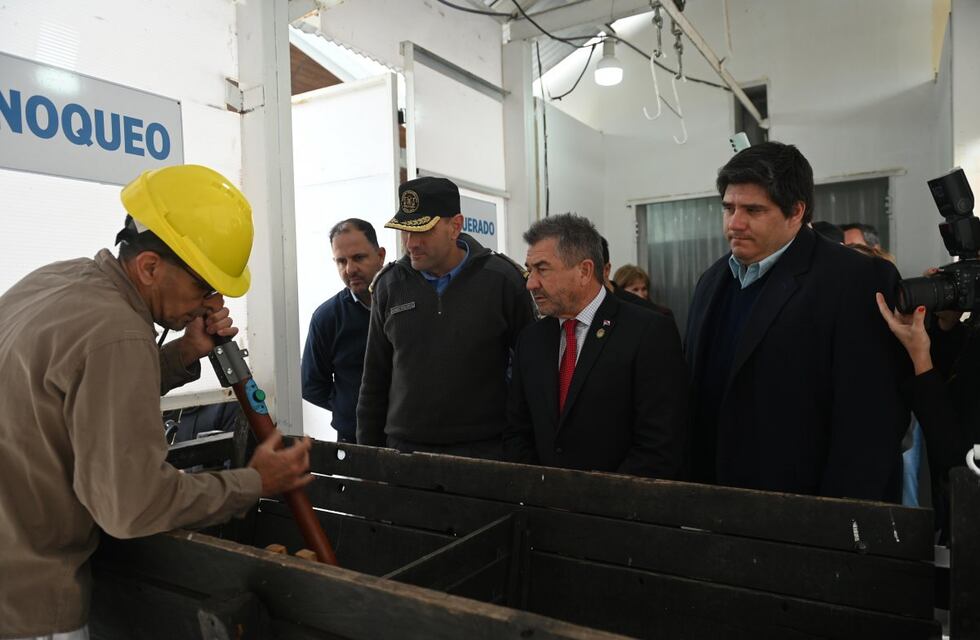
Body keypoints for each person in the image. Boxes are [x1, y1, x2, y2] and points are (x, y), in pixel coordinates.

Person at [0, 165, 313, 640]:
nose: (210, 303)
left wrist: (185, 351)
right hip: (31, 602)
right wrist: (254, 481)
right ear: (149, 266)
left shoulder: (55, 281)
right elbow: (133, 507)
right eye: (202, 286)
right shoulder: (117, 333)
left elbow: (82, 391)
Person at [685, 141, 907, 501]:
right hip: (719, 505)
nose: (734, 223)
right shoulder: (712, 281)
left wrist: (833, 525)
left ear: (796, 212)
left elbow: (870, 423)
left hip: (806, 510)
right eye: (729, 208)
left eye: (753, 210)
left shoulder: (856, 279)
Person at [356, 177, 535, 459]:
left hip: (484, 452)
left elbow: (532, 376)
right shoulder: (389, 286)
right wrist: (367, 458)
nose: (410, 243)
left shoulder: (503, 281)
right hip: (405, 454)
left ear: (456, 226)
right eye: (405, 231)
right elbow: (374, 380)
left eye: (422, 231)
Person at [505, 214, 689, 478]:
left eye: (542, 269)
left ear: (584, 271)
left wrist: (597, 501)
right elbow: (518, 430)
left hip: (619, 510)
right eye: (529, 269)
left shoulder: (648, 331)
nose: (530, 283)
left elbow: (660, 442)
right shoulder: (531, 340)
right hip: (546, 509)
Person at [301, 219, 386, 443]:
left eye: (359, 258)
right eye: (341, 261)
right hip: (355, 440)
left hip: (410, 437)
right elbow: (311, 385)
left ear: (380, 255)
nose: (350, 269)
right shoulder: (327, 318)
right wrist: (349, 405)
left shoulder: (407, 303)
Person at [599, 236, 674, 318]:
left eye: (644, 289)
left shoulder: (661, 315)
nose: (641, 294)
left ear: (606, 270)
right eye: (635, 289)